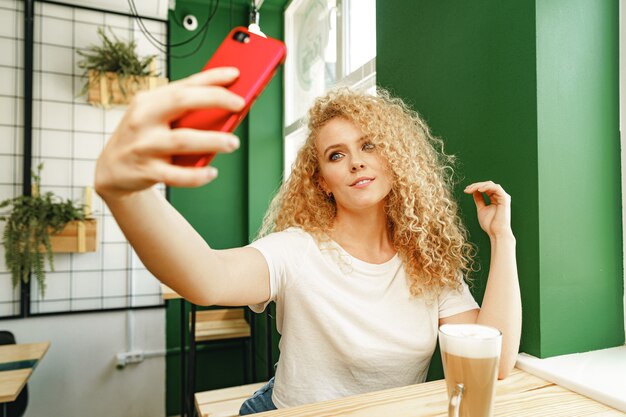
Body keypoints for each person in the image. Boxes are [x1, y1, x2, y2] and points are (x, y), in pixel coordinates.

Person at [95, 67, 521, 414]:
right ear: (322, 181)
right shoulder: (297, 250)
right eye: (336, 155)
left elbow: (496, 363)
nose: (355, 162)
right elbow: (208, 278)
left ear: (394, 158)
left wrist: (503, 238)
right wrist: (128, 194)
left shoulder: (428, 264)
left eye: (369, 146)